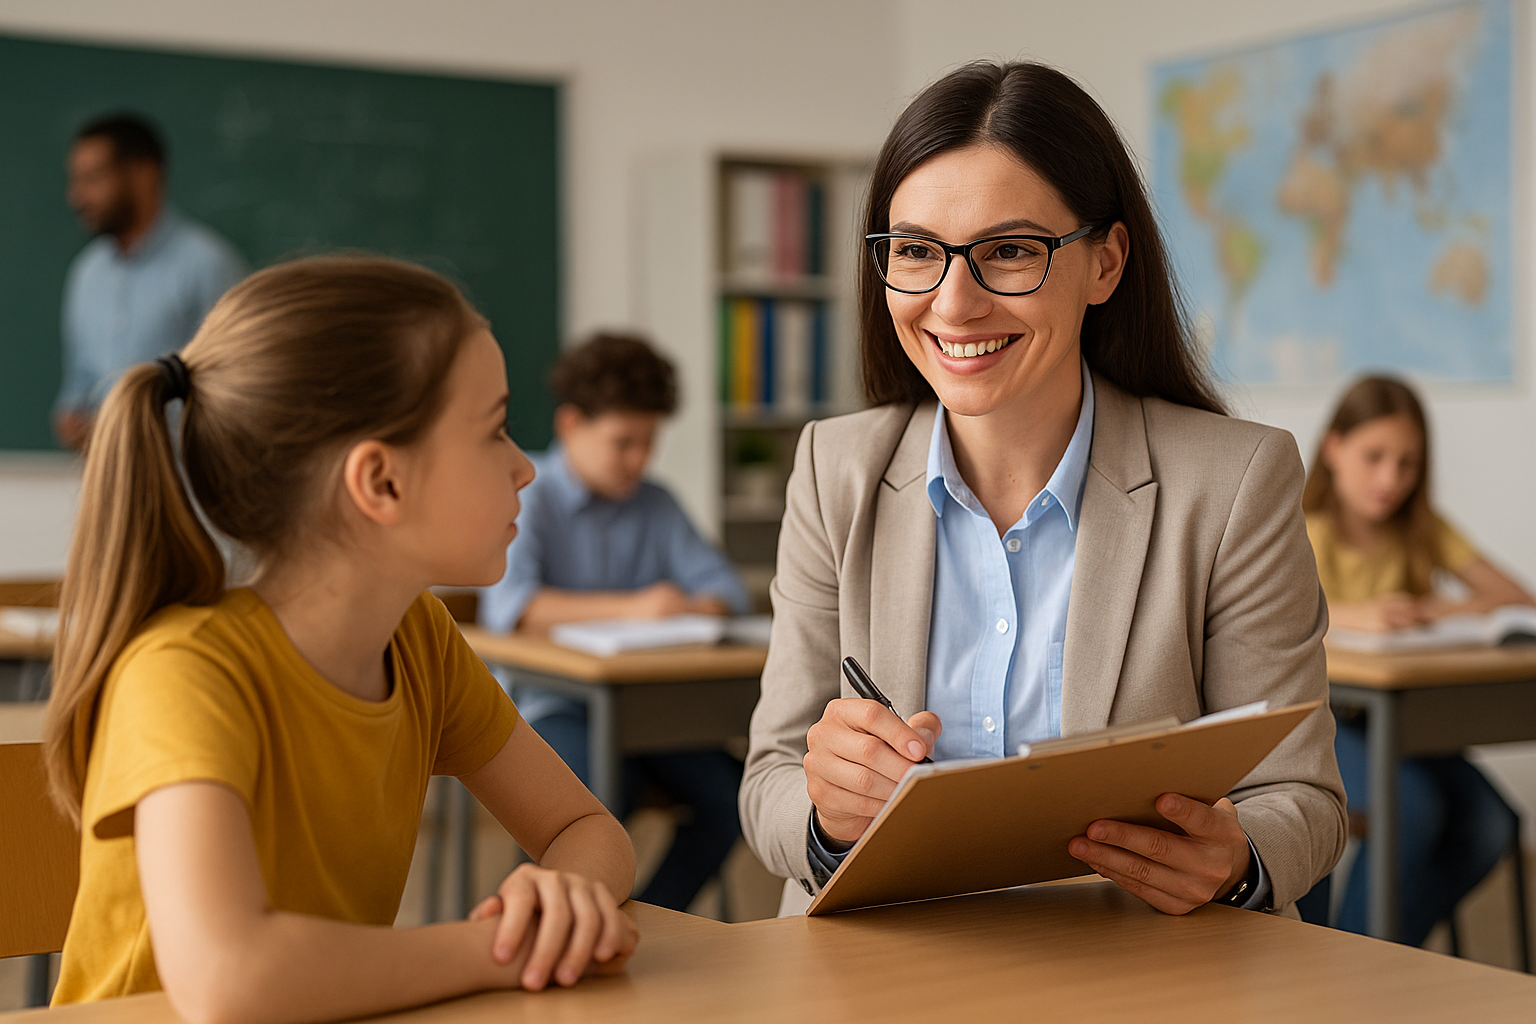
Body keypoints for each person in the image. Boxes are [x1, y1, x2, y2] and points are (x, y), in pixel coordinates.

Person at [740, 61, 1346, 918]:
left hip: (1132, 973)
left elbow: (1302, 798)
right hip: (879, 969)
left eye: (1010, 252)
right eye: (915, 252)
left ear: (1105, 263)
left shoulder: (1234, 481)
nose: (953, 303)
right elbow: (769, 777)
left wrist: (1235, 859)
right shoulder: (834, 470)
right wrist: (828, 821)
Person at [43, 257, 638, 1017]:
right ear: (381, 482)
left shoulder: (418, 636)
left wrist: (560, 900)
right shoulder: (184, 673)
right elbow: (231, 979)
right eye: (494, 430)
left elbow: (585, 826)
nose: (525, 467)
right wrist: (499, 950)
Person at [479, 333, 751, 914]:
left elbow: (725, 590)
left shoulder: (655, 503)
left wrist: (690, 607)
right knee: (593, 803)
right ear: (572, 424)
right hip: (553, 709)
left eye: (648, 444)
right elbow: (514, 608)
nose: (638, 460)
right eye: (622, 442)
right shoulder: (529, 496)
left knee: (734, 798)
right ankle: (541, 923)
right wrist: (637, 607)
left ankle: (651, 919)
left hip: (649, 714)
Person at [1301, 374, 1528, 944]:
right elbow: (1283, 618)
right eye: (1374, 457)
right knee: (1417, 810)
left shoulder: (1421, 528)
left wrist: (1435, 608)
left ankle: (1377, 952)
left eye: (1407, 463)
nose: (1391, 479)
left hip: (1401, 726)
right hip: (1327, 723)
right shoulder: (1307, 528)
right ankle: (1350, 963)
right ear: (1334, 449)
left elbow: (1517, 599)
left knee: (1492, 823)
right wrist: (1359, 613)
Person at [54, 113, 245, 450]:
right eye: (76, 180)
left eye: (94, 179)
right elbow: (78, 387)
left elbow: (238, 388)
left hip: (186, 488)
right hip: (112, 484)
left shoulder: (207, 265)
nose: (77, 197)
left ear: (144, 173)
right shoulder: (87, 274)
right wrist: (73, 418)